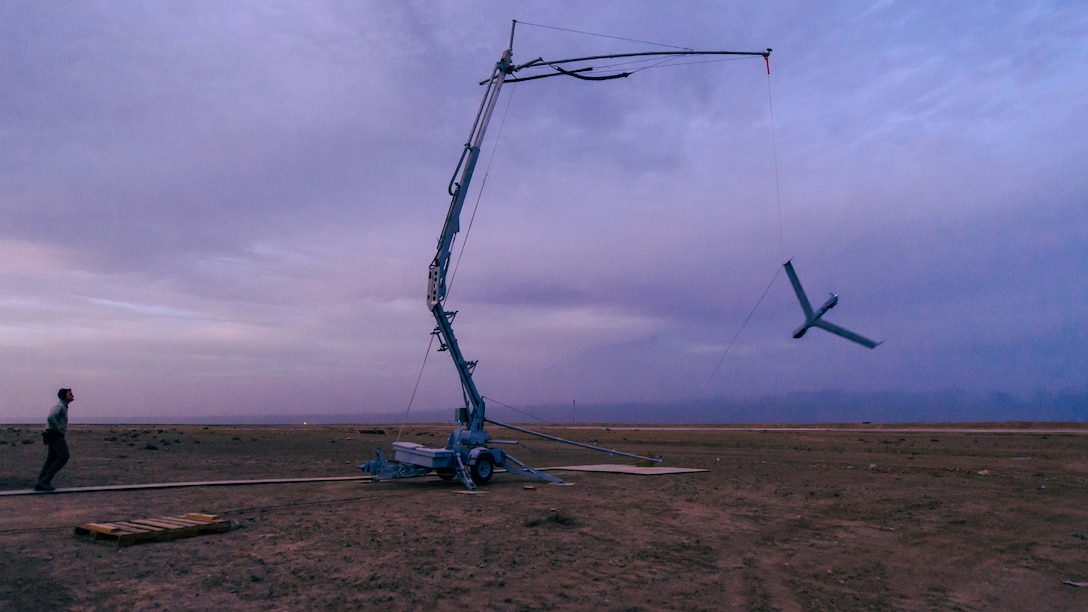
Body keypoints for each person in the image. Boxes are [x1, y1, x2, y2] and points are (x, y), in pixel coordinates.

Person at [35, 388, 73, 492]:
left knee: (51, 459)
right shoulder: (59, 406)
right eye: (70, 394)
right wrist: (59, 429)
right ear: (64, 395)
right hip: (54, 434)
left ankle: (40, 483)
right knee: (64, 456)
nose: (72, 395)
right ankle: (44, 481)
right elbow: (51, 417)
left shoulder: (63, 406)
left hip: (51, 434)